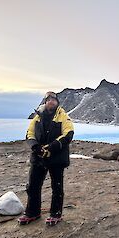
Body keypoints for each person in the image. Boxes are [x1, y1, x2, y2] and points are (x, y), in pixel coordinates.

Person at [18, 91, 74, 226]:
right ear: (45, 101)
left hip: (56, 157)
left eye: (54, 99)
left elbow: (68, 133)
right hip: (38, 157)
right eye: (48, 99)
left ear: (57, 102)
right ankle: (32, 212)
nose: (51, 102)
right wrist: (35, 147)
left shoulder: (63, 116)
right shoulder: (37, 117)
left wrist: (52, 147)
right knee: (33, 186)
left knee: (57, 186)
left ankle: (56, 214)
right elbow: (29, 134)